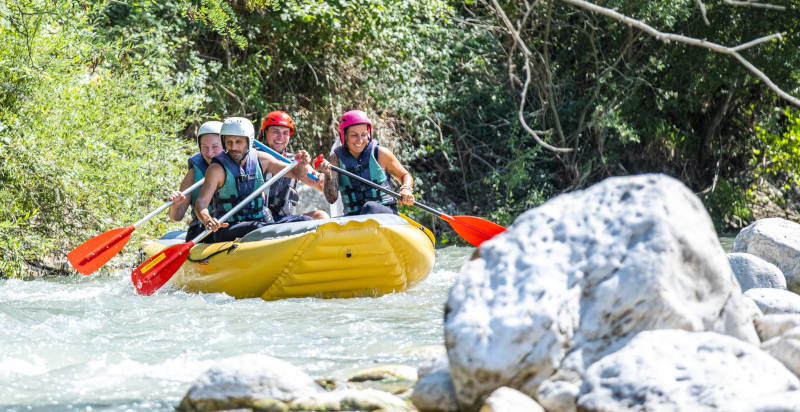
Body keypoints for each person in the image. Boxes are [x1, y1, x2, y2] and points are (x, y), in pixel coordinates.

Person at [194, 117, 311, 243]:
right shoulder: (216, 169)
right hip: (228, 228)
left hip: (262, 223)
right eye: (229, 142)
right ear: (223, 142)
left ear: (248, 142)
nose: (233, 147)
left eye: (238, 142)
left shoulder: (262, 160)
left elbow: (297, 174)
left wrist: (302, 165)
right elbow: (200, 204)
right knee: (259, 228)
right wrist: (207, 219)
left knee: (306, 221)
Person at [316, 110, 415, 216]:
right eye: (354, 135)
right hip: (354, 218)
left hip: (385, 215)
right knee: (367, 209)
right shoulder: (335, 160)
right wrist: (328, 175)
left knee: (370, 207)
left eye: (364, 134)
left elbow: (405, 175)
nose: (360, 140)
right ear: (344, 135)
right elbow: (331, 199)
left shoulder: (380, 153)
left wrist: (406, 189)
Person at [259, 110, 329, 222]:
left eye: (285, 133)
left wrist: (324, 179)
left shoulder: (294, 161)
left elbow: (322, 187)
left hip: (283, 219)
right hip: (258, 219)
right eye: (275, 131)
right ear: (264, 133)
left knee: (321, 216)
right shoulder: (254, 157)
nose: (281, 137)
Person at [167, 120, 223, 240]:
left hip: (230, 227)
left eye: (215, 147)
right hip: (202, 231)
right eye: (205, 147)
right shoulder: (194, 173)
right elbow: (176, 217)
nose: (210, 153)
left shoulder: (238, 166)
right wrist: (175, 206)